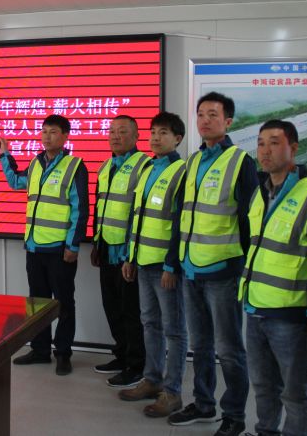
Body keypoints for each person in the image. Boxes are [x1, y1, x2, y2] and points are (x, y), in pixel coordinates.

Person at [166, 92, 258, 436]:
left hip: (224, 272)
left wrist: (246, 268)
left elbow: (250, 220)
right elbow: (181, 215)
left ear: (228, 121)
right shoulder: (192, 162)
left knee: (229, 349)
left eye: (213, 115)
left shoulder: (240, 161)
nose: (205, 120)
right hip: (191, 269)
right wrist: (174, 262)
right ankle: (204, 404)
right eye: (201, 114)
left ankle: (234, 415)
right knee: (200, 345)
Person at [239, 120, 307, 436]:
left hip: (291, 313)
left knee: (295, 392)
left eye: (274, 143)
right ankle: (265, 431)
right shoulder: (259, 193)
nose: (265, 150)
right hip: (256, 307)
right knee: (263, 385)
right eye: (261, 143)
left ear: (294, 148)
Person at [0, 114, 89, 376]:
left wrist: (73, 245)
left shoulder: (74, 166)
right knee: (37, 303)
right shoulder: (36, 163)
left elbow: (80, 209)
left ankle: (63, 354)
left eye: (53, 132)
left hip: (60, 249)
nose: (47, 137)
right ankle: (40, 350)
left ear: (65, 136)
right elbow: (16, 182)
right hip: (35, 246)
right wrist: (5, 155)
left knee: (63, 303)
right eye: (44, 131)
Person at [118, 112, 188, 418]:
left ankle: (172, 392)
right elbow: (137, 216)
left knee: (174, 330)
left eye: (164, 133)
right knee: (150, 323)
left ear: (178, 139)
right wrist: (130, 256)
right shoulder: (148, 168)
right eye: (153, 132)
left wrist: (172, 265)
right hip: (143, 262)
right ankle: (152, 379)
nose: (156, 138)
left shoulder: (181, 171)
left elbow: (180, 222)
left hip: (165, 266)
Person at [91, 115, 151, 388]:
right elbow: (100, 207)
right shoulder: (106, 166)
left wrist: (132, 254)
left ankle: (136, 365)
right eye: (112, 131)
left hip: (128, 253)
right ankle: (121, 355)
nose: (115, 136)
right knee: (112, 307)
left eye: (122, 131)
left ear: (136, 136)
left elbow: (142, 213)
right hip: (106, 248)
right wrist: (96, 243)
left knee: (131, 312)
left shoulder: (144, 165)